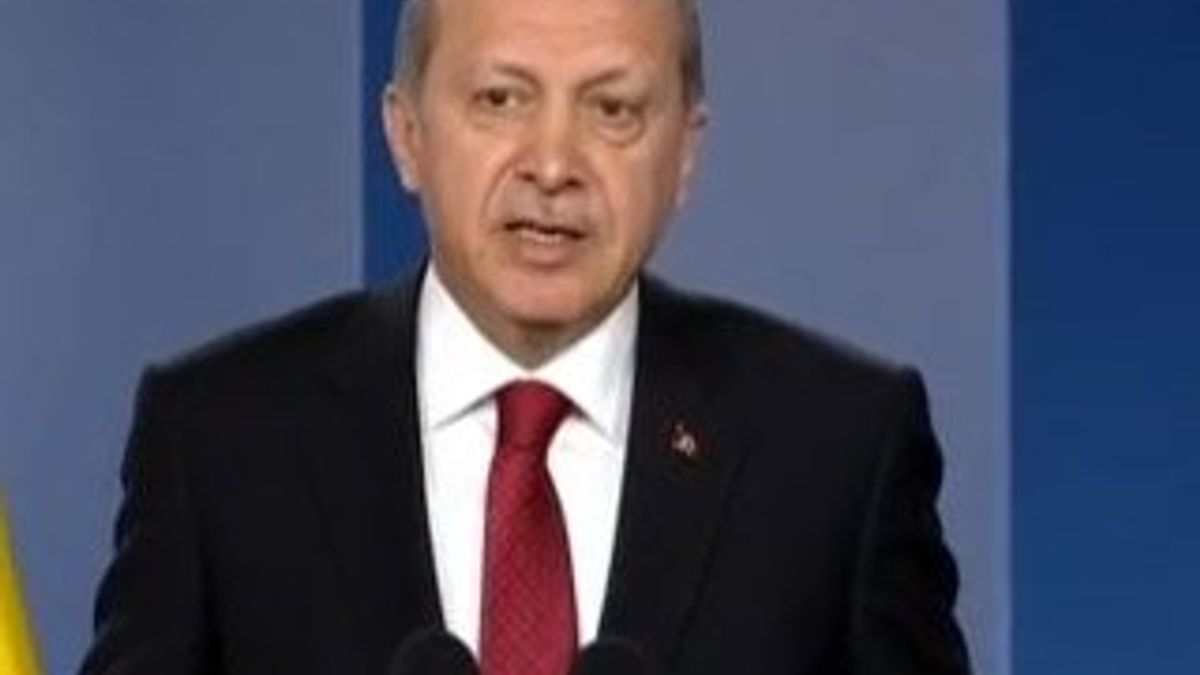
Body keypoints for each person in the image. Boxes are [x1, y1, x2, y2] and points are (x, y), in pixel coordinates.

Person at [79, 0, 971, 673]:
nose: (552, 165)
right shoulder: (222, 440)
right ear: (407, 134)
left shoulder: (835, 447)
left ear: (686, 155)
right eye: (501, 99)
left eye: (613, 110)